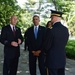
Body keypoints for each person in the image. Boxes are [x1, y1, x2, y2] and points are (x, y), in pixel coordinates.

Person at [43, 10, 69, 75]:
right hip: (62, 60)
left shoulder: (52, 30)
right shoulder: (65, 29)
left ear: (54, 17)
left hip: (52, 61)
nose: (51, 19)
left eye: (51, 17)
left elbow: (46, 47)